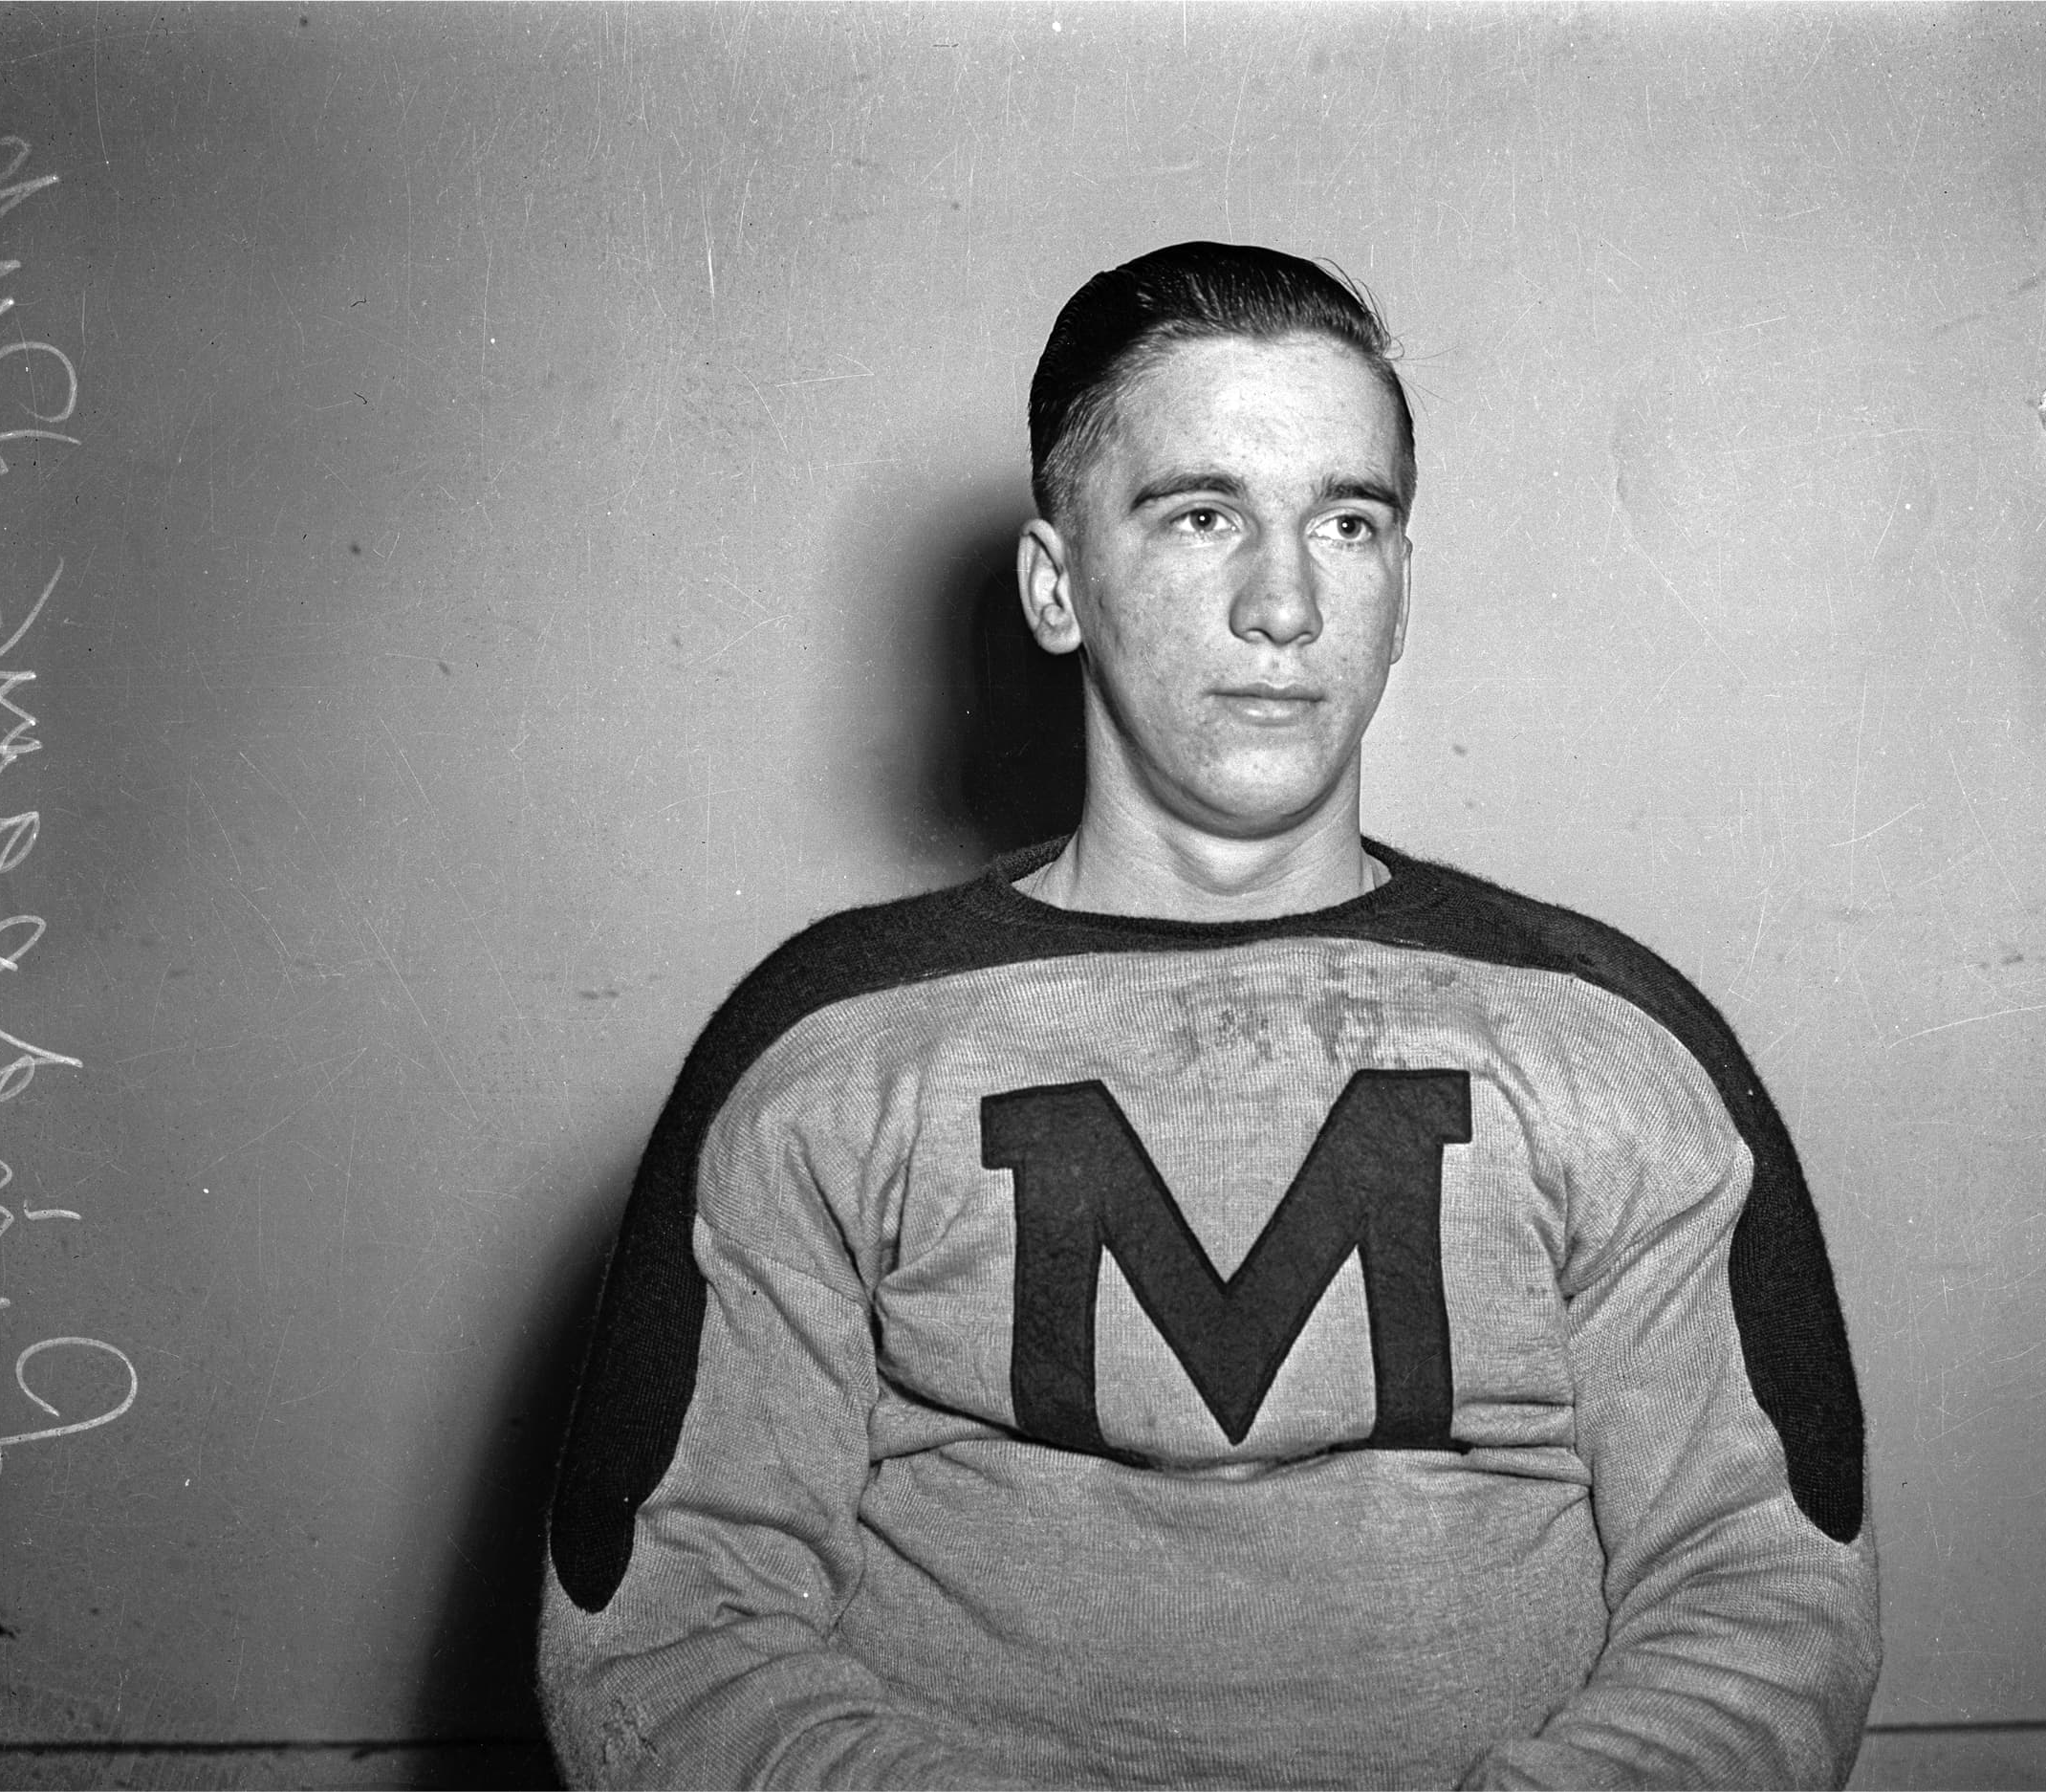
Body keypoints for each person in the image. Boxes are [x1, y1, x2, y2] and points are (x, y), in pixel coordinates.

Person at [539, 242, 1880, 1789]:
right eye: (1200, 515)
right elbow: (661, 1631)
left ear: (1400, 589)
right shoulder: (824, 1044)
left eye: (1348, 521)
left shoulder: (1612, 1037)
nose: (1284, 601)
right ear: (1057, 586)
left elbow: (1768, 1599)